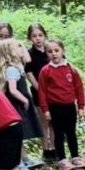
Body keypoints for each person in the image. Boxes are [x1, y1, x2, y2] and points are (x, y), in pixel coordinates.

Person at [0, 38, 43, 170]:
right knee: (17, 134)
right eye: (18, 47)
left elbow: (28, 59)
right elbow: (13, 90)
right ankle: (18, 162)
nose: (22, 49)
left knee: (20, 134)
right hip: (15, 105)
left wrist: (21, 47)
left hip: (17, 104)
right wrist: (25, 100)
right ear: (9, 52)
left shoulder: (17, 66)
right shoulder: (11, 69)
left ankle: (24, 158)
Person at [37, 38, 85, 170]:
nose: (54, 54)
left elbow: (79, 88)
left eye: (56, 50)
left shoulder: (71, 69)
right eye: (50, 51)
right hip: (55, 107)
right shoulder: (45, 71)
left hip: (70, 106)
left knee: (71, 133)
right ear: (46, 53)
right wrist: (45, 110)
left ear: (62, 51)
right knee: (58, 134)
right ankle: (62, 159)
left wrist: (81, 106)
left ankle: (75, 157)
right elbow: (42, 92)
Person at [25, 23, 55, 161]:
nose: (38, 38)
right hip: (39, 92)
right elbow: (29, 73)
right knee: (44, 121)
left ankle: (54, 147)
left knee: (54, 121)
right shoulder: (29, 54)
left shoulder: (51, 50)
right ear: (30, 38)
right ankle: (46, 149)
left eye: (40, 35)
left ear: (45, 35)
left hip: (54, 91)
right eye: (34, 36)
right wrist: (40, 89)